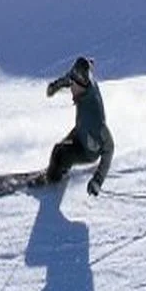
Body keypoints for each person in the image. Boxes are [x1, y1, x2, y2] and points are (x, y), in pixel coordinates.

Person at [44, 56, 114, 196]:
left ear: (82, 86)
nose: (71, 88)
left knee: (59, 152)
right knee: (61, 149)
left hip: (89, 149)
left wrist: (97, 180)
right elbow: (69, 78)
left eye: (74, 86)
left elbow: (109, 147)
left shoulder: (94, 116)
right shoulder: (83, 80)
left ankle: (51, 180)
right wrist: (55, 87)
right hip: (81, 130)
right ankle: (60, 167)